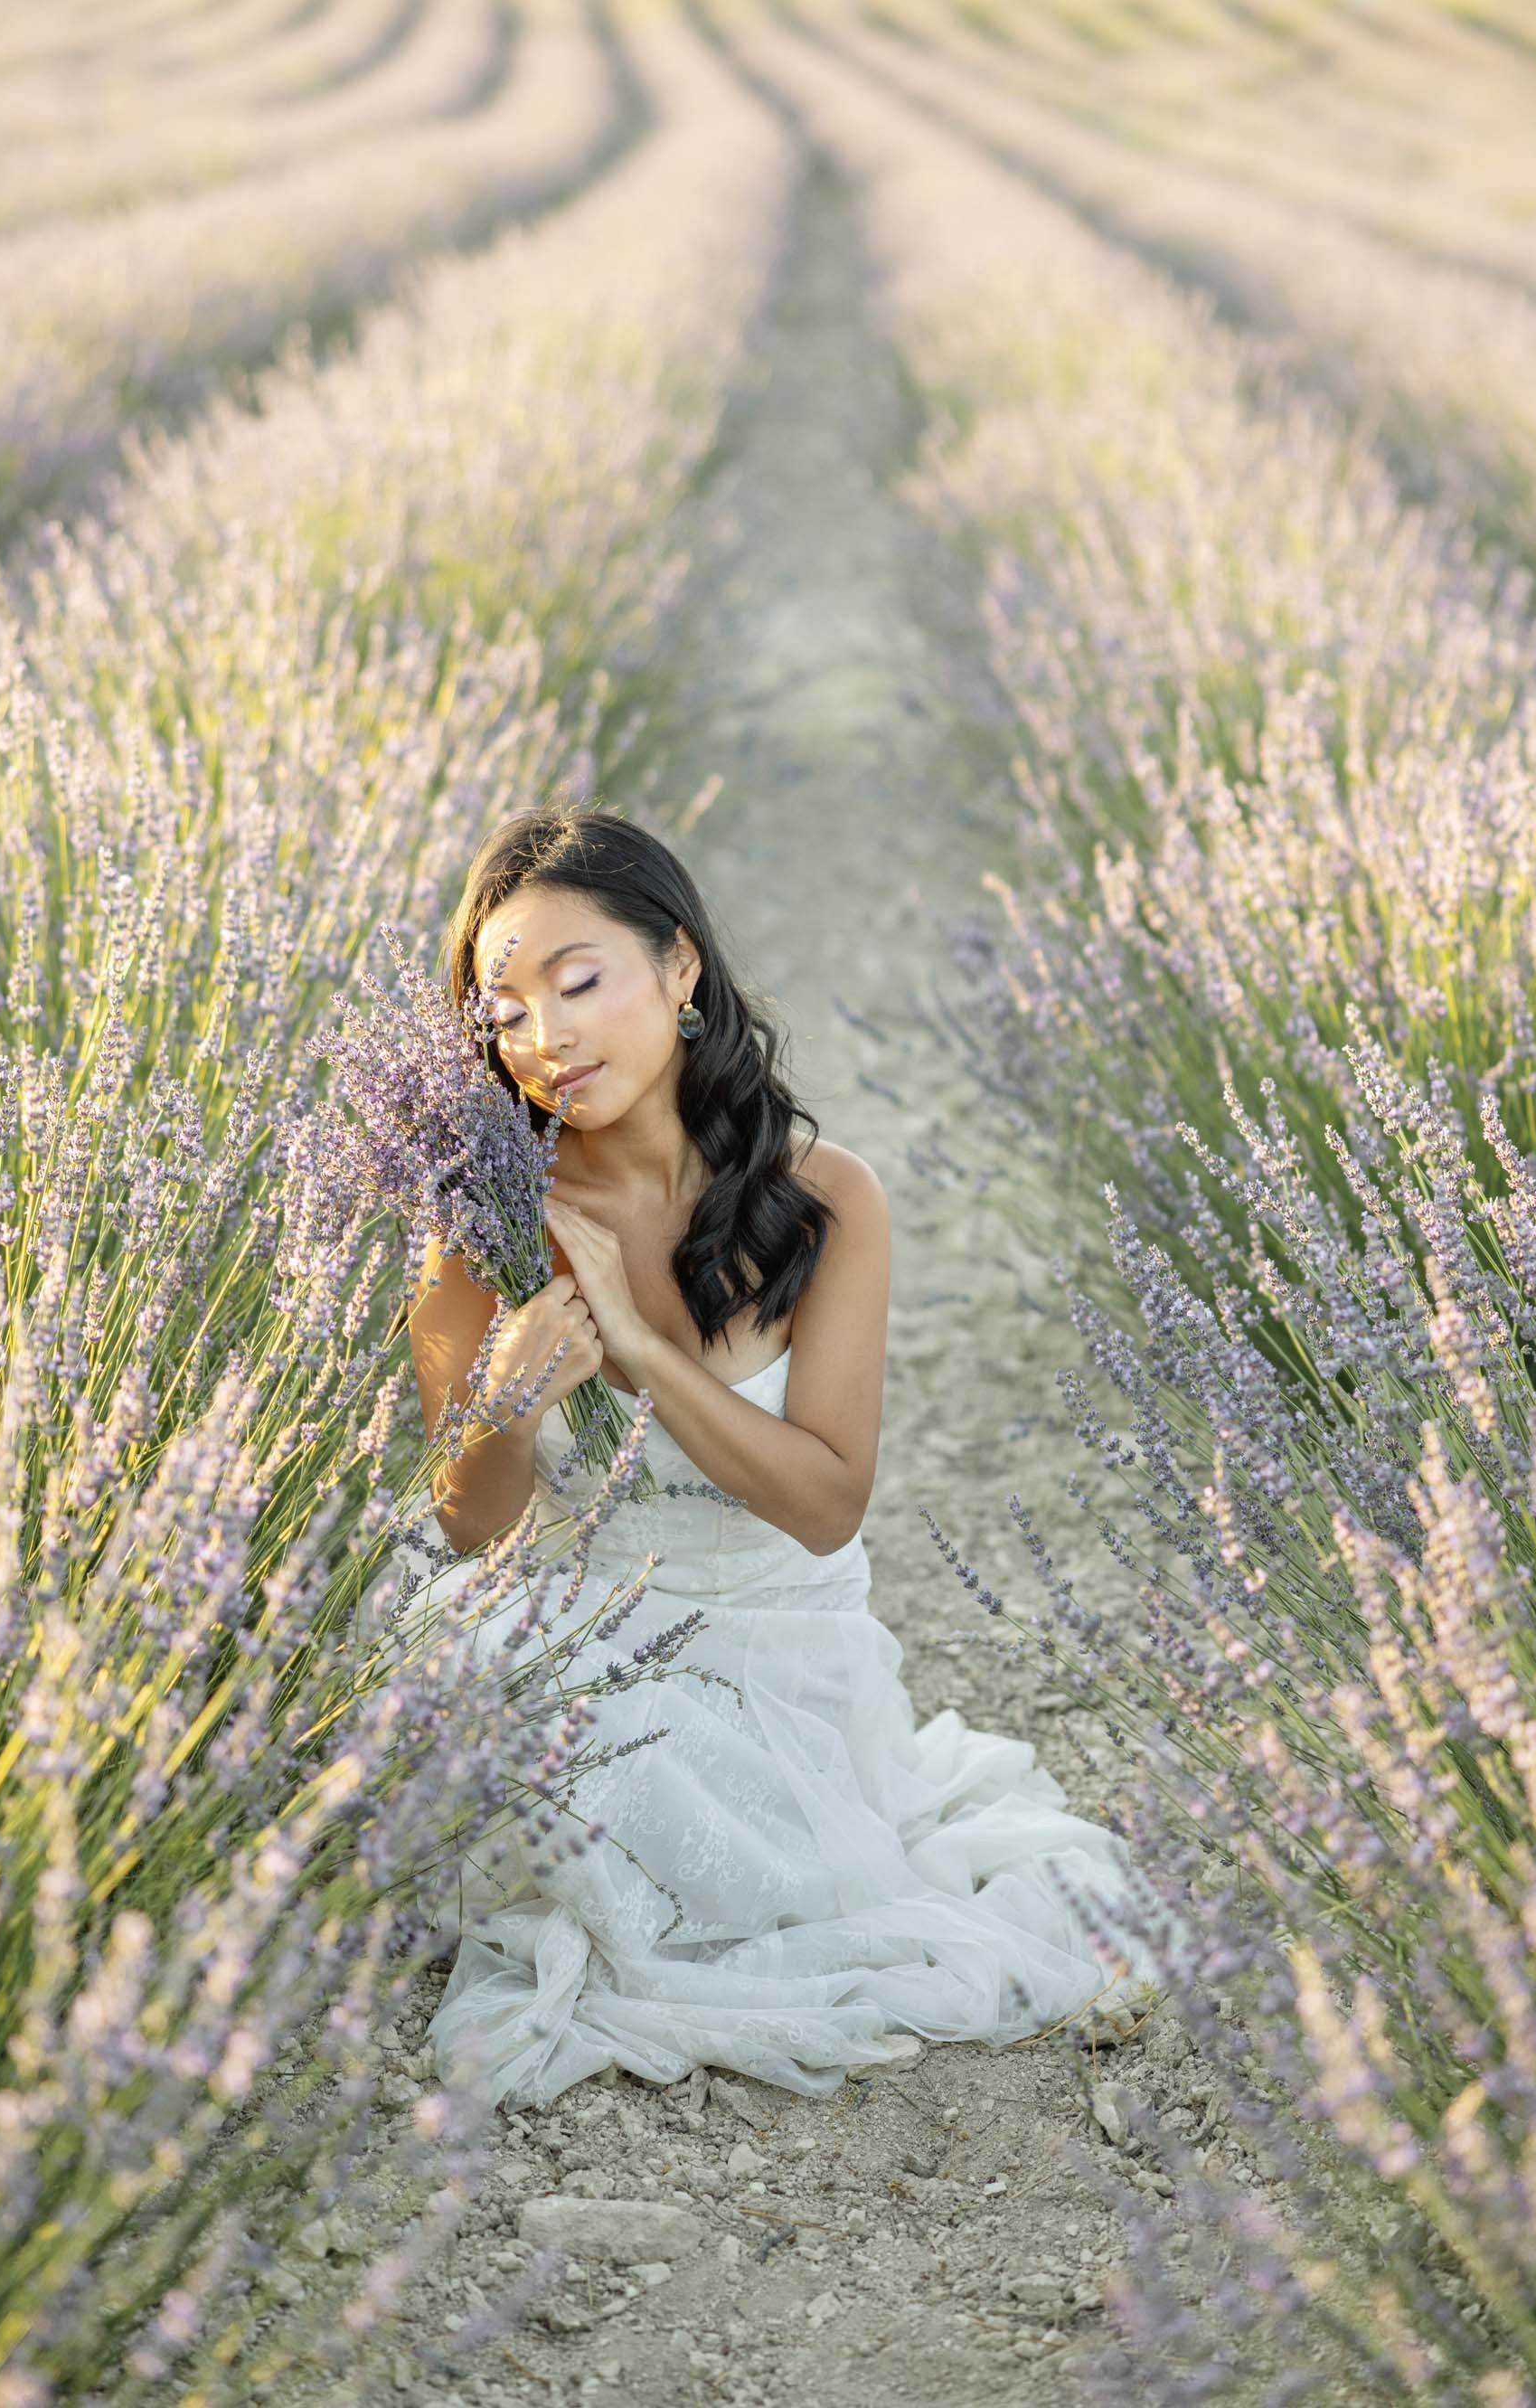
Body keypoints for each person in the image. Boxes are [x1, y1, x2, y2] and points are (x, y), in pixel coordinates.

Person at [382, 799, 1170, 2108]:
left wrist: (637, 1343)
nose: (544, 1038)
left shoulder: (826, 1197)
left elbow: (823, 1503)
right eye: (502, 1012)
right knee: (440, 1661)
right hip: (561, 1621)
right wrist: (505, 1405)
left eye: (576, 984)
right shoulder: (484, 1218)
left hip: (773, 1654)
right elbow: (471, 1532)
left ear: (678, 966)